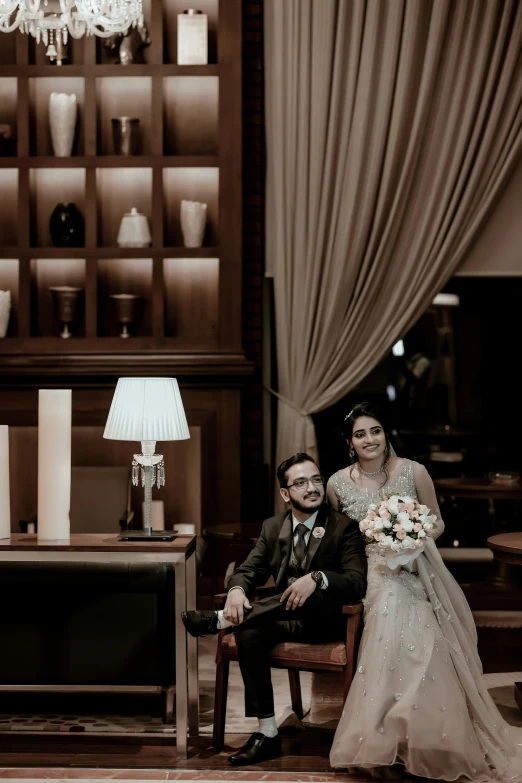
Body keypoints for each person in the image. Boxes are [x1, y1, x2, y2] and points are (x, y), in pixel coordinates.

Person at [328, 402, 522, 782]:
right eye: (360, 434)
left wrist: (412, 537)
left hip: (416, 567)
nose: (370, 439)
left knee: (411, 612)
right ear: (350, 442)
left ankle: (420, 733)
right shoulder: (337, 483)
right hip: (369, 569)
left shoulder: (414, 471)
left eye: (376, 431)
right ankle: (384, 735)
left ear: (386, 434)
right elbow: (338, 540)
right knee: (389, 602)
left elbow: (437, 522)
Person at [182, 452, 367, 765]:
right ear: (285, 493)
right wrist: (238, 591)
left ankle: (218, 621)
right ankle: (267, 733)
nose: (312, 487)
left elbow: (356, 582)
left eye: (316, 479)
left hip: (325, 620)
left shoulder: (343, 528)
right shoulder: (273, 527)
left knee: (309, 596)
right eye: (301, 482)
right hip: (284, 618)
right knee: (249, 634)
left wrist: (318, 578)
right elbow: (248, 569)